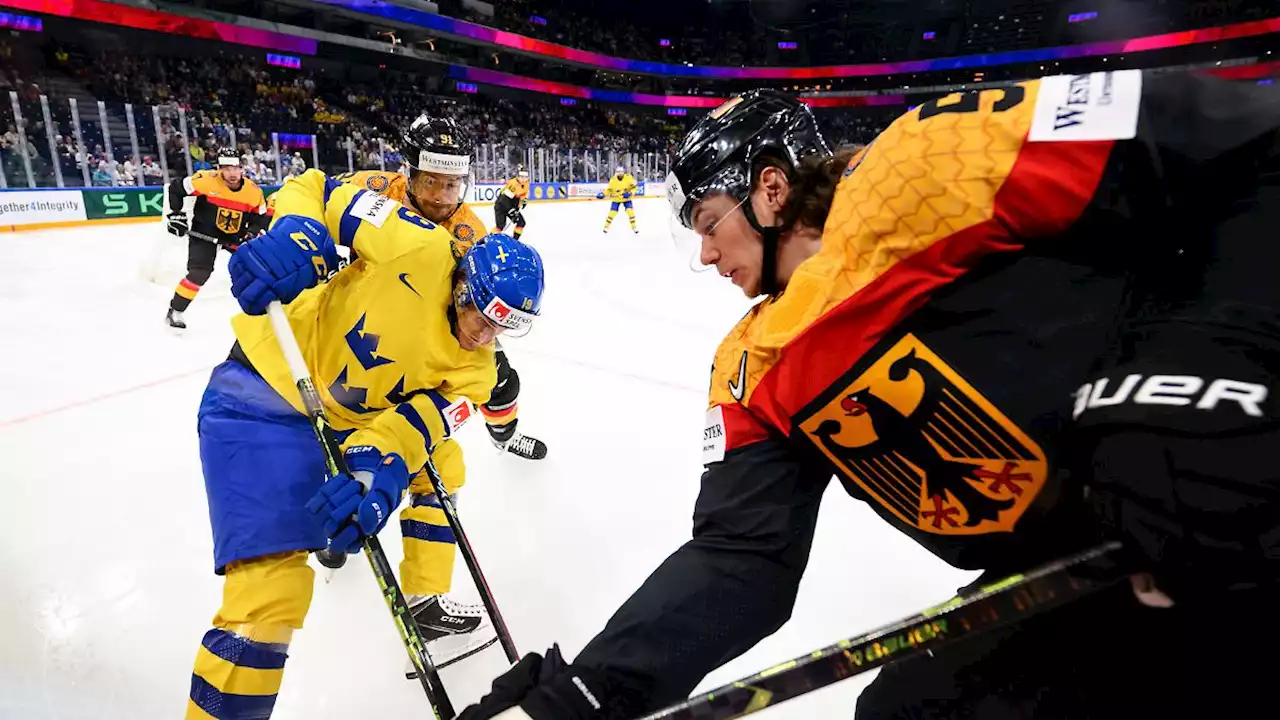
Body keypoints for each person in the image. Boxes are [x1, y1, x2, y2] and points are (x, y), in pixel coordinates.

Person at [457, 73, 1280, 720]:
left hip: (1243, 487)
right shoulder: (750, 366)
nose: (706, 256)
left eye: (709, 222)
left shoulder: (928, 160)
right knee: (909, 707)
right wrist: (593, 691)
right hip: (1087, 568)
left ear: (770, 189)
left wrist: (1208, 379)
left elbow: (1248, 143)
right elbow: (742, 559)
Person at [184, 168, 545, 720]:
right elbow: (318, 190)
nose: (482, 335)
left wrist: (377, 474)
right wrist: (300, 234)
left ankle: (424, 596)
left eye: (504, 328)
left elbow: (416, 426)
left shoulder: (478, 369)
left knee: (441, 464)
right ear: (465, 285)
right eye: (480, 314)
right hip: (260, 396)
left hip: (347, 421)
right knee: (267, 598)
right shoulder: (415, 243)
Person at [338, 113, 548, 462]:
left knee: (500, 382)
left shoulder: (468, 235)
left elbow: (475, 305)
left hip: (434, 316)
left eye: (452, 185)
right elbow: (315, 198)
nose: (441, 198)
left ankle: (504, 435)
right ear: (409, 174)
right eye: (430, 182)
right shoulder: (372, 188)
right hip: (365, 307)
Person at [164, 148, 268, 329]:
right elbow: (175, 189)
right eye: (226, 168)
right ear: (219, 168)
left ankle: (264, 311)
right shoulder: (205, 180)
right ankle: (176, 310)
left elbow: (261, 218)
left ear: (242, 168)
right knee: (199, 273)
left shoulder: (254, 192)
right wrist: (176, 215)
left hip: (236, 236)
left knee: (259, 269)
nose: (232, 173)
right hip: (205, 233)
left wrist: (250, 233)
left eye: (235, 168)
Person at [597, 164, 638, 234]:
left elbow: (635, 187)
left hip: (626, 199)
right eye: (618, 172)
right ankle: (606, 227)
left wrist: (630, 193)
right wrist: (603, 194)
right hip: (616, 199)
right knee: (612, 213)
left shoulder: (629, 178)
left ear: (623, 172)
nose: (620, 173)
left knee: (630, 212)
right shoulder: (613, 180)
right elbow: (609, 190)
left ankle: (634, 227)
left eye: (621, 172)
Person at [494, 167, 529, 239]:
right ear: (518, 177)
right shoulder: (513, 184)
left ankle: (515, 240)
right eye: (521, 177)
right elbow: (504, 200)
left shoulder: (526, 184)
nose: (523, 179)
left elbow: (523, 195)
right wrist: (512, 211)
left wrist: (523, 201)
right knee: (500, 226)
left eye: (525, 177)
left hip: (512, 206)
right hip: (501, 206)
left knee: (521, 223)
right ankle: (490, 239)